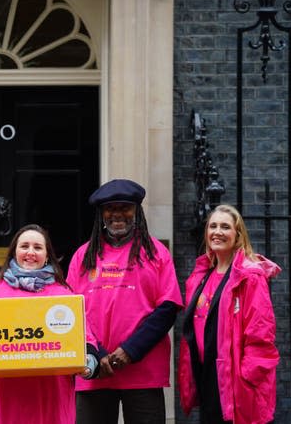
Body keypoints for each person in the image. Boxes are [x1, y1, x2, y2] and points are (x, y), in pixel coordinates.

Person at [66, 179, 183, 424]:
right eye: (110, 208)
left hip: (143, 370)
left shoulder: (157, 253)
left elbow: (168, 308)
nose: (117, 214)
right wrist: (95, 353)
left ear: (136, 211)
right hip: (94, 369)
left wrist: (129, 351)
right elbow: (70, 312)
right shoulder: (82, 256)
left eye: (125, 207)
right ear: (101, 214)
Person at [0, 224, 100, 424]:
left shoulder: (64, 294)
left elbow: (84, 337)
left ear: (48, 255)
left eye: (38, 247)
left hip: (50, 394)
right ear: (14, 252)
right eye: (24, 246)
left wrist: (89, 361)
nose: (30, 252)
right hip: (3, 395)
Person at [179, 204, 280, 424]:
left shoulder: (249, 277)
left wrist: (247, 377)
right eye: (213, 226)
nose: (217, 232)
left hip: (236, 380)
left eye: (225, 227)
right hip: (208, 375)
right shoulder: (201, 277)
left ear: (238, 235)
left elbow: (261, 331)